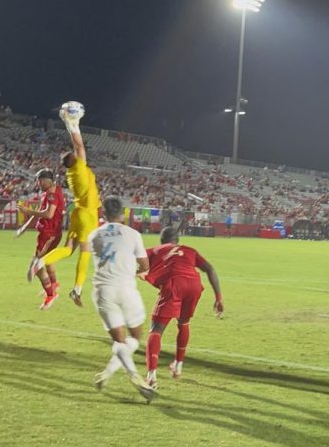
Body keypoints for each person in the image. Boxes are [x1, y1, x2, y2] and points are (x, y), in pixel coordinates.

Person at [88, 197, 157, 402]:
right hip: (127, 289)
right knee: (134, 337)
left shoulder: (94, 235)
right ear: (123, 214)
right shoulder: (133, 234)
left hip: (103, 291)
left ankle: (110, 374)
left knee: (118, 340)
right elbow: (145, 266)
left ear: (104, 214)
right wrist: (133, 270)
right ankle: (133, 375)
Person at [34, 105, 100, 306]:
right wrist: (73, 125)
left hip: (77, 213)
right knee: (85, 251)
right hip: (88, 214)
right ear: (74, 160)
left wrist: (69, 123)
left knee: (69, 248)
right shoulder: (80, 168)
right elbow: (79, 146)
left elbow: (76, 149)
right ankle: (77, 289)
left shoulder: (71, 173)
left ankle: (42, 261)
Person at [142, 226, 224, 386]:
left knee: (156, 331)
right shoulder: (189, 250)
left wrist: (142, 274)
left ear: (161, 240)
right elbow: (210, 269)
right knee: (184, 322)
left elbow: (137, 262)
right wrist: (218, 297)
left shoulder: (154, 250)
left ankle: (151, 375)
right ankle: (178, 365)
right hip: (194, 285)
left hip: (175, 285)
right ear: (178, 240)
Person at [17, 169, 66, 308]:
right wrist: (25, 226)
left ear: (48, 180)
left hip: (49, 234)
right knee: (48, 261)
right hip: (51, 233)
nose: (39, 183)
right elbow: (40, 211)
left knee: (37, 266)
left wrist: (28, 211)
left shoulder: (51, 195)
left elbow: (49, 214)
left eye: (40, 180)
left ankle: (51, 294)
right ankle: (54, 284)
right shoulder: (55, 191)